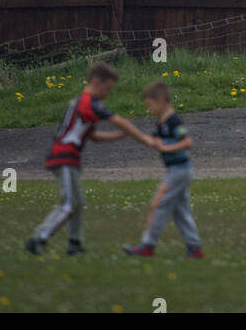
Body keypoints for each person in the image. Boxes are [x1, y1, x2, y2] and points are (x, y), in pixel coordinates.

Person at [25, 61, 157, 255]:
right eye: (108, 88)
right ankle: (38, 239)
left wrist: (121, 136)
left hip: (70, 157)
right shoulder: (89, 102)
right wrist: (146, 140)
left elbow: (93, 136)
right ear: (96, 81)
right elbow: (120, 121)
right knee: (69, 204)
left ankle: (75, 244)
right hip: (63, 156)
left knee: (77, 202)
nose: (108, 93)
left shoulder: (84, 103)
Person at [123, 81, 203, 259]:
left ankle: (148, 245)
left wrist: (166, 148)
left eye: (149, 104)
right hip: (175, 171)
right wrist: (130, 130)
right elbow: (152, 142)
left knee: (158, 205)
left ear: (160, 100)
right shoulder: (161, 123)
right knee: (181, 212)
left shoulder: (174, 121)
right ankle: (195, 248)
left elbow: (187, 142)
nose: (148, 109)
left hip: (179, 171)